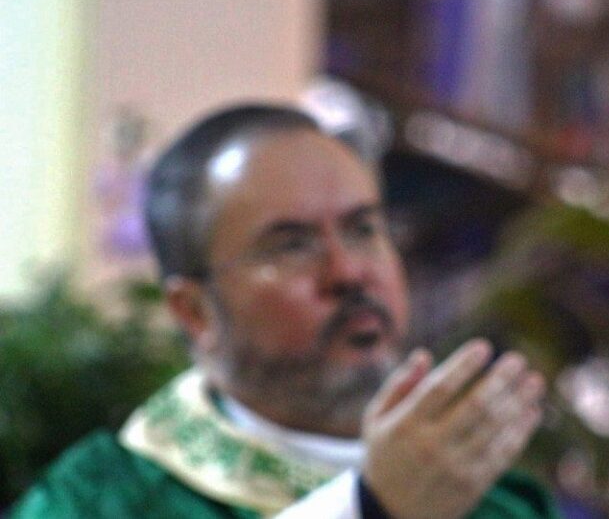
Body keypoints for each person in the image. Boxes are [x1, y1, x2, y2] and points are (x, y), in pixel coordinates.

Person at [11, 105, 558, 518]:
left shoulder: (499, 502)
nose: (348, 272)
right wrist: (369, 506)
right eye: (291, 245)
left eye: (363, 229)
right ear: (194, 311)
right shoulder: (102, 497)